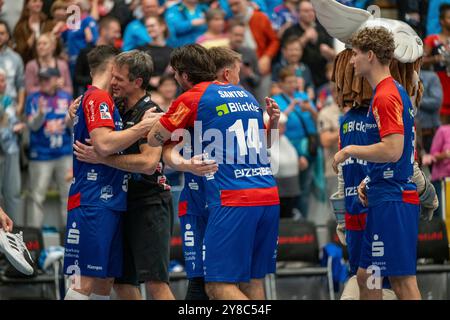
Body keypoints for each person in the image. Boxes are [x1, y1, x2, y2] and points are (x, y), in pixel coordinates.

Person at [147, 44, 280, 300]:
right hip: (266, 195)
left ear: (184, 75)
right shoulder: (246, 96)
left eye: (176, 73)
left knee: (218, 287)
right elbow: (265, 143)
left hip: (231, 199)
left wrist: (159, 124)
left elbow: (154, 139)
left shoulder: (191, 98)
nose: (174, 78)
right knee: (251, 281)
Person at [73, 50, 176, 300]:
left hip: (149, 201)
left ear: (137, 82)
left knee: (155, 282)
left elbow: (149, 163)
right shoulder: (115, 104)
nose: (112, 81)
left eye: (119, 78)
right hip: (121, 201)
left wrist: (103, 158)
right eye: (112, 75)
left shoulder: (151, 113)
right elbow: (89, 110)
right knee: (122, 282)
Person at [333, 27, 421, 300]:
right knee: (367, 276)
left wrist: (349, 150)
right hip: (383, 192)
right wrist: (369, 179)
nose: (350, 61)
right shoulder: (389, 91)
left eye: (355, 54)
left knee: (402, 281)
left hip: (393, 198)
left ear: (370, 55)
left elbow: (393, 150)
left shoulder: (385, 95)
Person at [25, 67, 72, 229]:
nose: (43, 82)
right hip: (41, 155)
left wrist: (67, 121)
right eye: (41, 79)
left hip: (64, 153)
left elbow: (73, 127)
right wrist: (40, 113)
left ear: (56, 79)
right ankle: (33, 243)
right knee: (37, 198)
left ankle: (68, 243)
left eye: (47, 79)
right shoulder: (33, 98)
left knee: (68, 198)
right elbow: (32, 125)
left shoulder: (66, 97)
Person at [228, 0, 280, 104]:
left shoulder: (260, 17)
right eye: (231, 5)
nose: (234, 8)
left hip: (261, 66)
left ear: (246, 2)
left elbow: (274, 40)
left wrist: (267, 57)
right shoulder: (231, 22)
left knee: (262, 102)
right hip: (239, 68)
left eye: (237, 3)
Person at [281, 0, 335, 89]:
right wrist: (304, 38)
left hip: (322, 77)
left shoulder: (323, 29)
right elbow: (286, 54)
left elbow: (334, 55)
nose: (310, 13)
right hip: (300, 78)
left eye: (313, 10)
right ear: (298, 13)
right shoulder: (290, 31)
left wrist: (328, 52)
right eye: (306, 11)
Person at [74, 16, 122, 97]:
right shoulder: (86, 51)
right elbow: (77, 78)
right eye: (115, 32)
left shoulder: (118, 53)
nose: (118, 35)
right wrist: (99, 78)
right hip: (89, 97)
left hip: (112, 99)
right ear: (103, 31)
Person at [0, 68, 24, 223]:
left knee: (13, 193)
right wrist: (7, 128)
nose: (2, 84)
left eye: (3, 80)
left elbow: (14, 123)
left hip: (10, 150)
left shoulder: (8, 100)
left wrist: (7, 127)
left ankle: (15, 233)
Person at [423, 3, 450, 124]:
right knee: (441, 121)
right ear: (442, 21)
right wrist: (435, 59)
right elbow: (421, 61)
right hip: (439, 82)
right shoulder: (432, 39)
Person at [12, 0, 53, 65]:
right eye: (34, 1)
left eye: (40, 1)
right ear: (27, 5)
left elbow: (54, 46)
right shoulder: (20, 27)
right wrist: (30, 40)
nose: (38, 3)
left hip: (47, 63)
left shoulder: (48, 23)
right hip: (28, 64)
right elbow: (19, 52)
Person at [137, 15, 173, 90]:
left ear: (162, 27)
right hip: (147, 90)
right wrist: (149, 80)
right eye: (147, 27)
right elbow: (136, 73)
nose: (149, 29)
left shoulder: (172, 51)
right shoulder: (141, 50)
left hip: (167, 90)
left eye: (152, 26)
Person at [228, 19, 260, 98]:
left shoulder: (250, 52)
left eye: (241, 35)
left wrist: (250, 74)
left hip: (248, 97)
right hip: (228, 97)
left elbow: (258, 81)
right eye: (236, 35)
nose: (239, 38)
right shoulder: (222, 54)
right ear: (229, 34)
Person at [0, 20, 26, 116]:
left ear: (7, 36)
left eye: (2, 33)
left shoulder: (16, 58)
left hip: (10, 108)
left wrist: (20, 106)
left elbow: (21, 85)